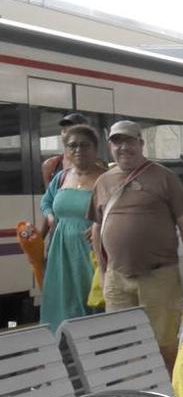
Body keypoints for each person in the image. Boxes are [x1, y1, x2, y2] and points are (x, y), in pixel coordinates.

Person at [89, 121, 183, 373]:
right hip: (117, 279)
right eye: (117, 142)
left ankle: (171, 392)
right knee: (123, 341)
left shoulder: (164, 177)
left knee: (164, 342)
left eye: (129, 141)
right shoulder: (104, 182)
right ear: (110, 146)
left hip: (158, 275)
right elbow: (97, 229)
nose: (123, 147)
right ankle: (139, 391)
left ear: (141, 144)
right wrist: (104, 270)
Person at [39, 124, 105, 332]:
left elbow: (121, 210)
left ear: (95, 148)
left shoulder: (105, 178)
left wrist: (101, 226)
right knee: (62, 297)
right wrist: (50, 217)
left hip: (91, 252)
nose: (78, 150)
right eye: (72, 145)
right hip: (61, 251)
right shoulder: (61, 178)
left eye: (85, 145)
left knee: (90, 298)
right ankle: (62, 347)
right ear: (66, 149)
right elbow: (46, 202)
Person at [39, 112, 107, 236]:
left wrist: (99, 227)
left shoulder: (102, 171)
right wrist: (41, 238)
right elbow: (49, 201)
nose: (68, 132)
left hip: (91, 242)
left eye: (84, 144)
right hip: (60, 236)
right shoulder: (52, 166)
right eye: (64, 130)